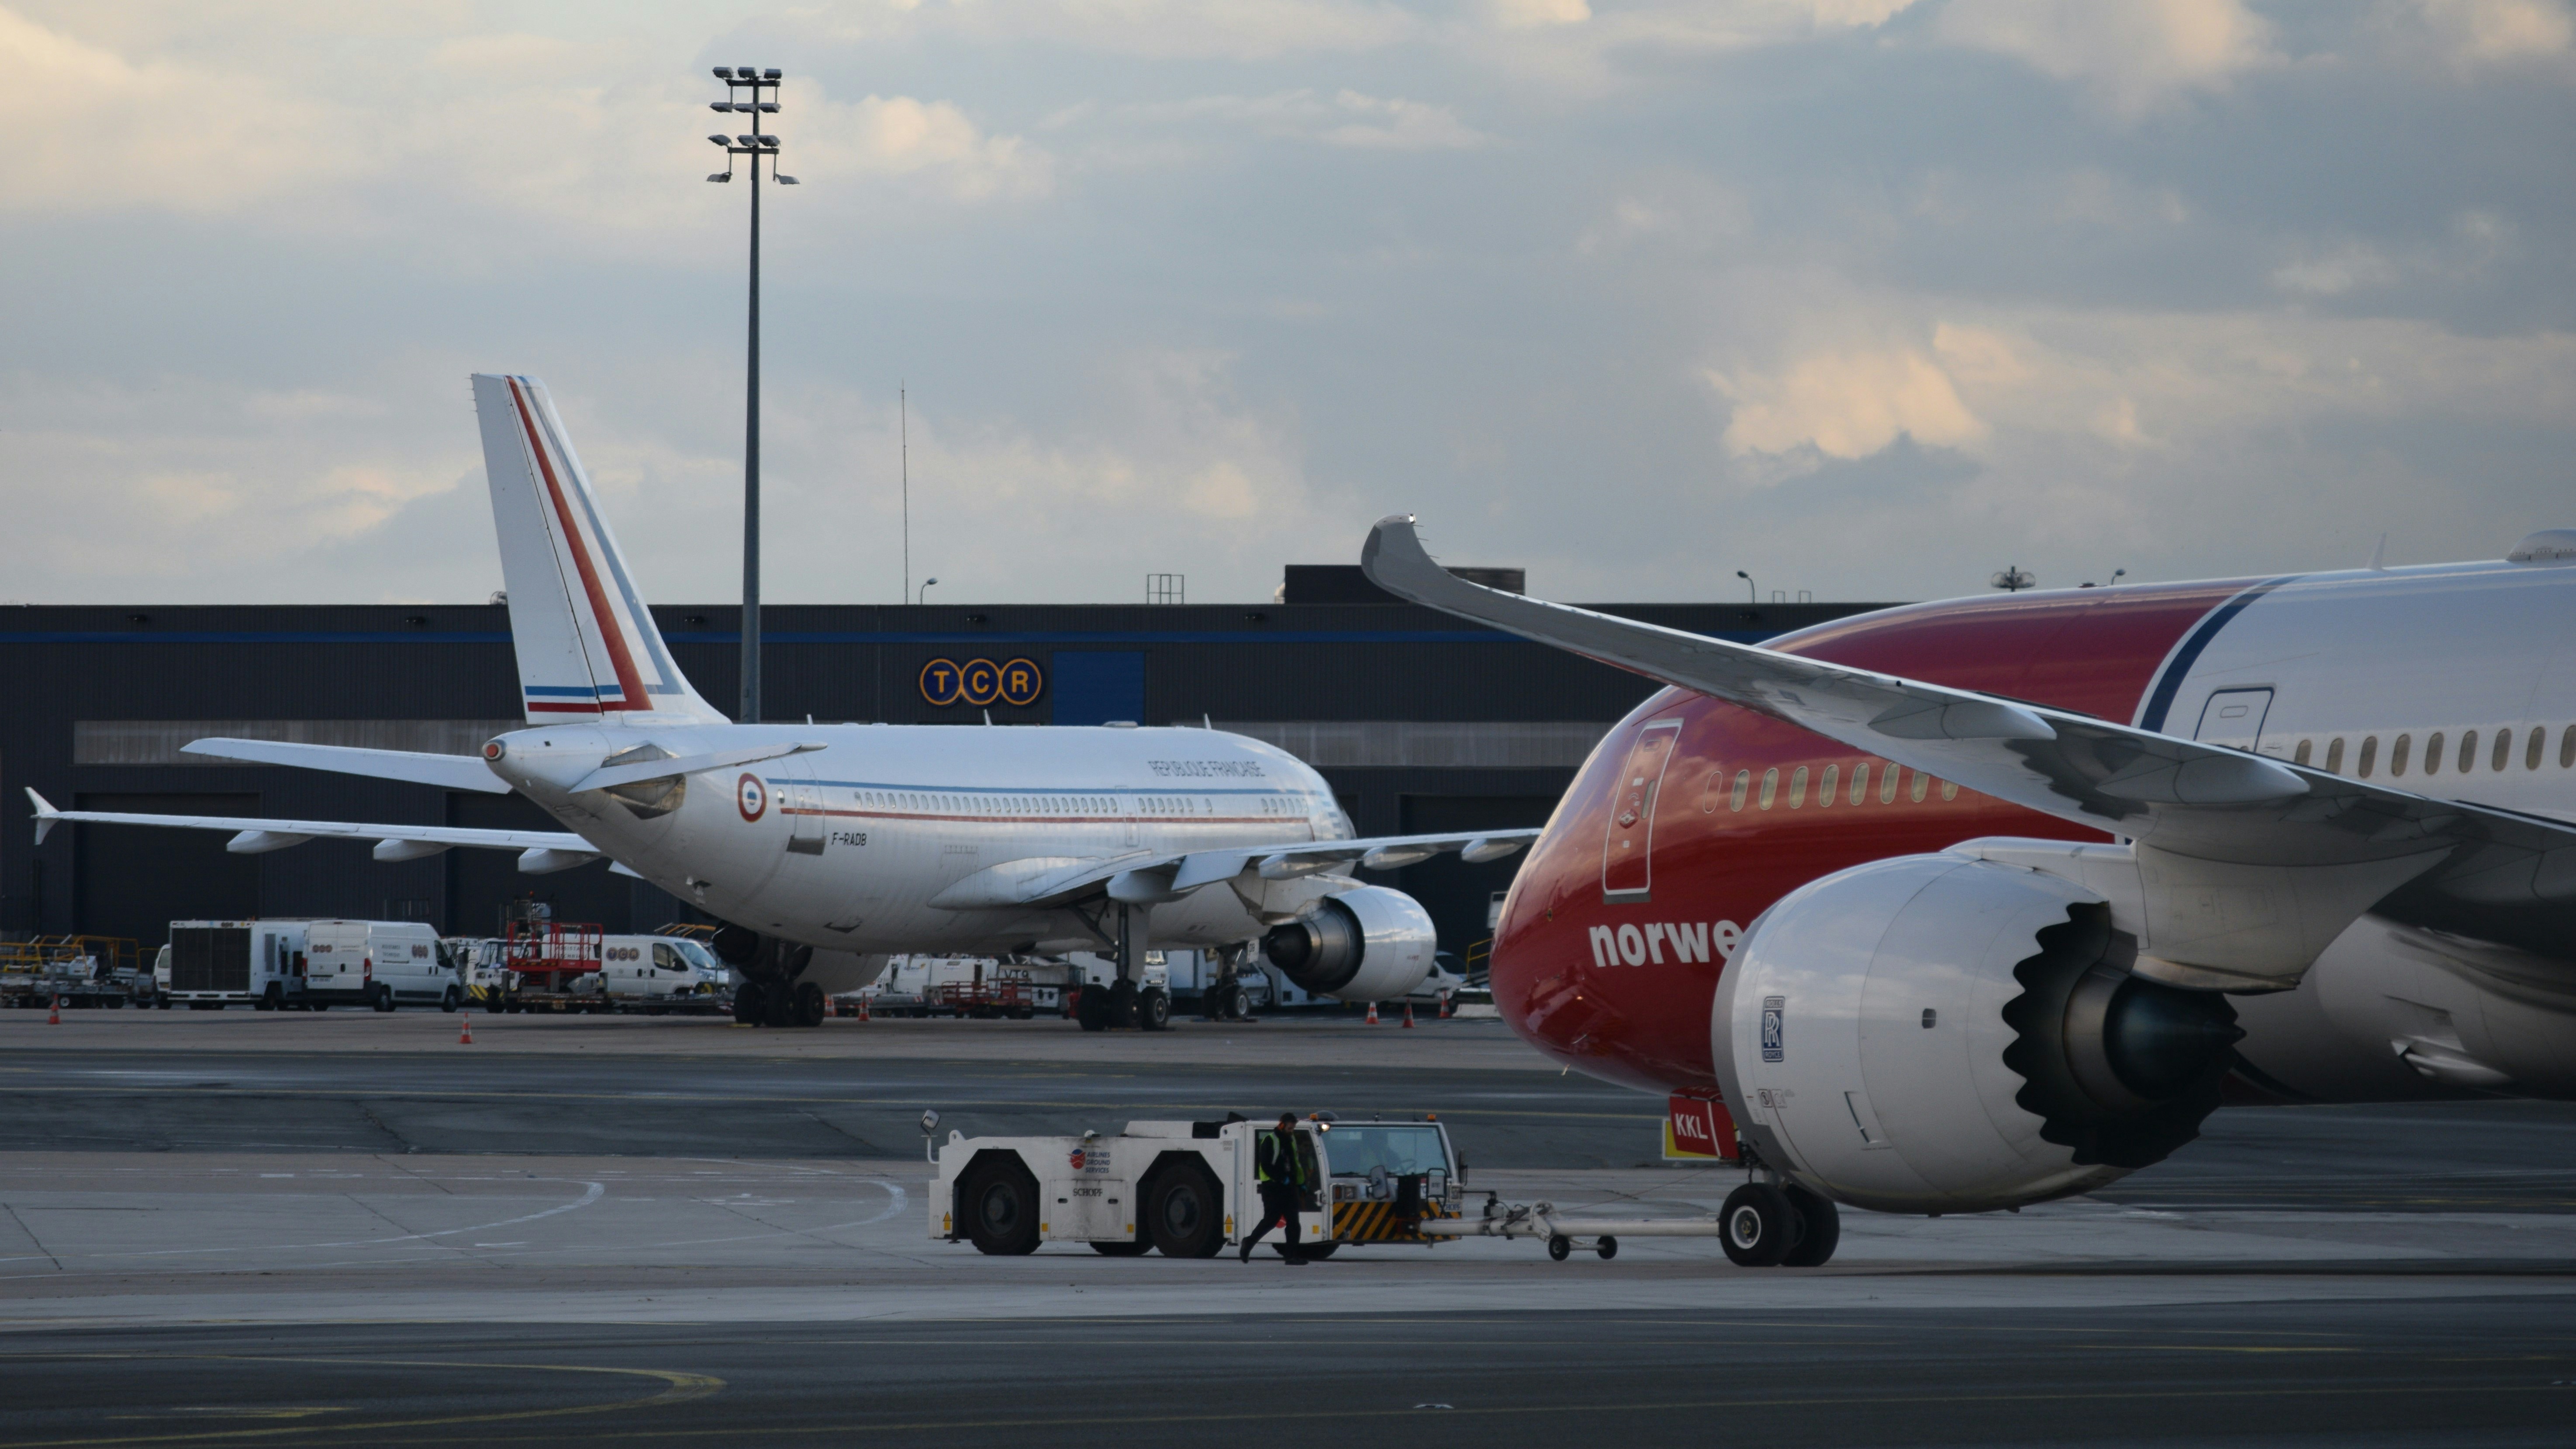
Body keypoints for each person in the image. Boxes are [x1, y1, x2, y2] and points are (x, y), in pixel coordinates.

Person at [1241, 1113, 1313, 1264]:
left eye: (1293, 1128)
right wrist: (1281, 1178)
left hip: (1289, 1187)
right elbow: (1265, 1165)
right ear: (1281, 1125)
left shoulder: (1291, 1140)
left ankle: (1291, 1256)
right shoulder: (1270, 1140)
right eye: (1289, 1128)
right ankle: (1249, 1242)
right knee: (1271, 1220)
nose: (1292, 1131)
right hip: (1272, 1187)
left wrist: (1301, 1183)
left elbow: (1296, 1164)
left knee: (1294, 1222)